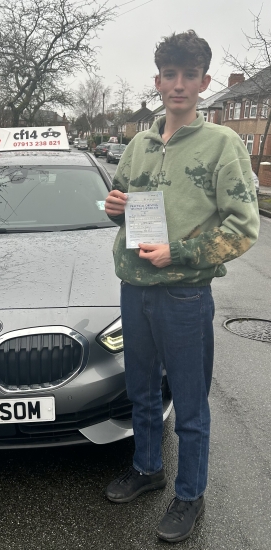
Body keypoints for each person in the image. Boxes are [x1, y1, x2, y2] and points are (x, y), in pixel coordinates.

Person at [104, 30, 260, 543]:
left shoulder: (224, 144)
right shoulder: (141, 144)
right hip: (135, 288)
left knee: (190, 404)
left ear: (204, 82)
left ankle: (190, 495)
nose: (178, 85)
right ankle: (148, 469)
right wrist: (113, 210)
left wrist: (182, 252)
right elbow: (123, 203)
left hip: (184, 295)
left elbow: (243, 228)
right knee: (142, 393)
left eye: (188, 76)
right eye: (169, 75)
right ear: (158, 81)